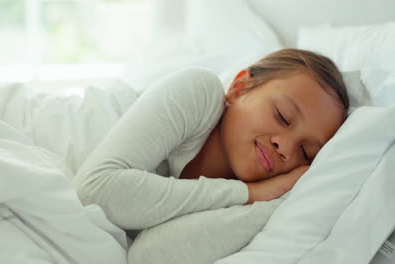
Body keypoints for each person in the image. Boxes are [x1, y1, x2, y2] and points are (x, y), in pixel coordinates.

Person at [72, 49, 349, 264]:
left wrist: (276, 201)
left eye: (306, 152)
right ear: (240, 87)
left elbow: (148, 257)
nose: (285, 148)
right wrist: (249, 193)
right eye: (282, 117)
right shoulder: (200, 91)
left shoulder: (255, 200)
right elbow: (95, 191)